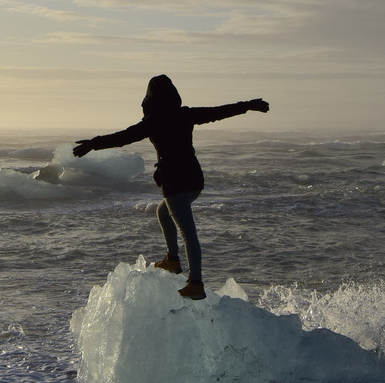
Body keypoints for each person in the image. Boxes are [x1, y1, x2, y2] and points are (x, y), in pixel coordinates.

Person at [73, 74, 268, 301]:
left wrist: (92, 144)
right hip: (194, 180)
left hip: (175, 182)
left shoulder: (154, 121)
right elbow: (218, 112)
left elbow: (123, 137)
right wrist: (249, 105)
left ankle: (196, 284)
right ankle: (172, 260)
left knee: (189, 234)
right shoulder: (185, 114)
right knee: (162, 212)